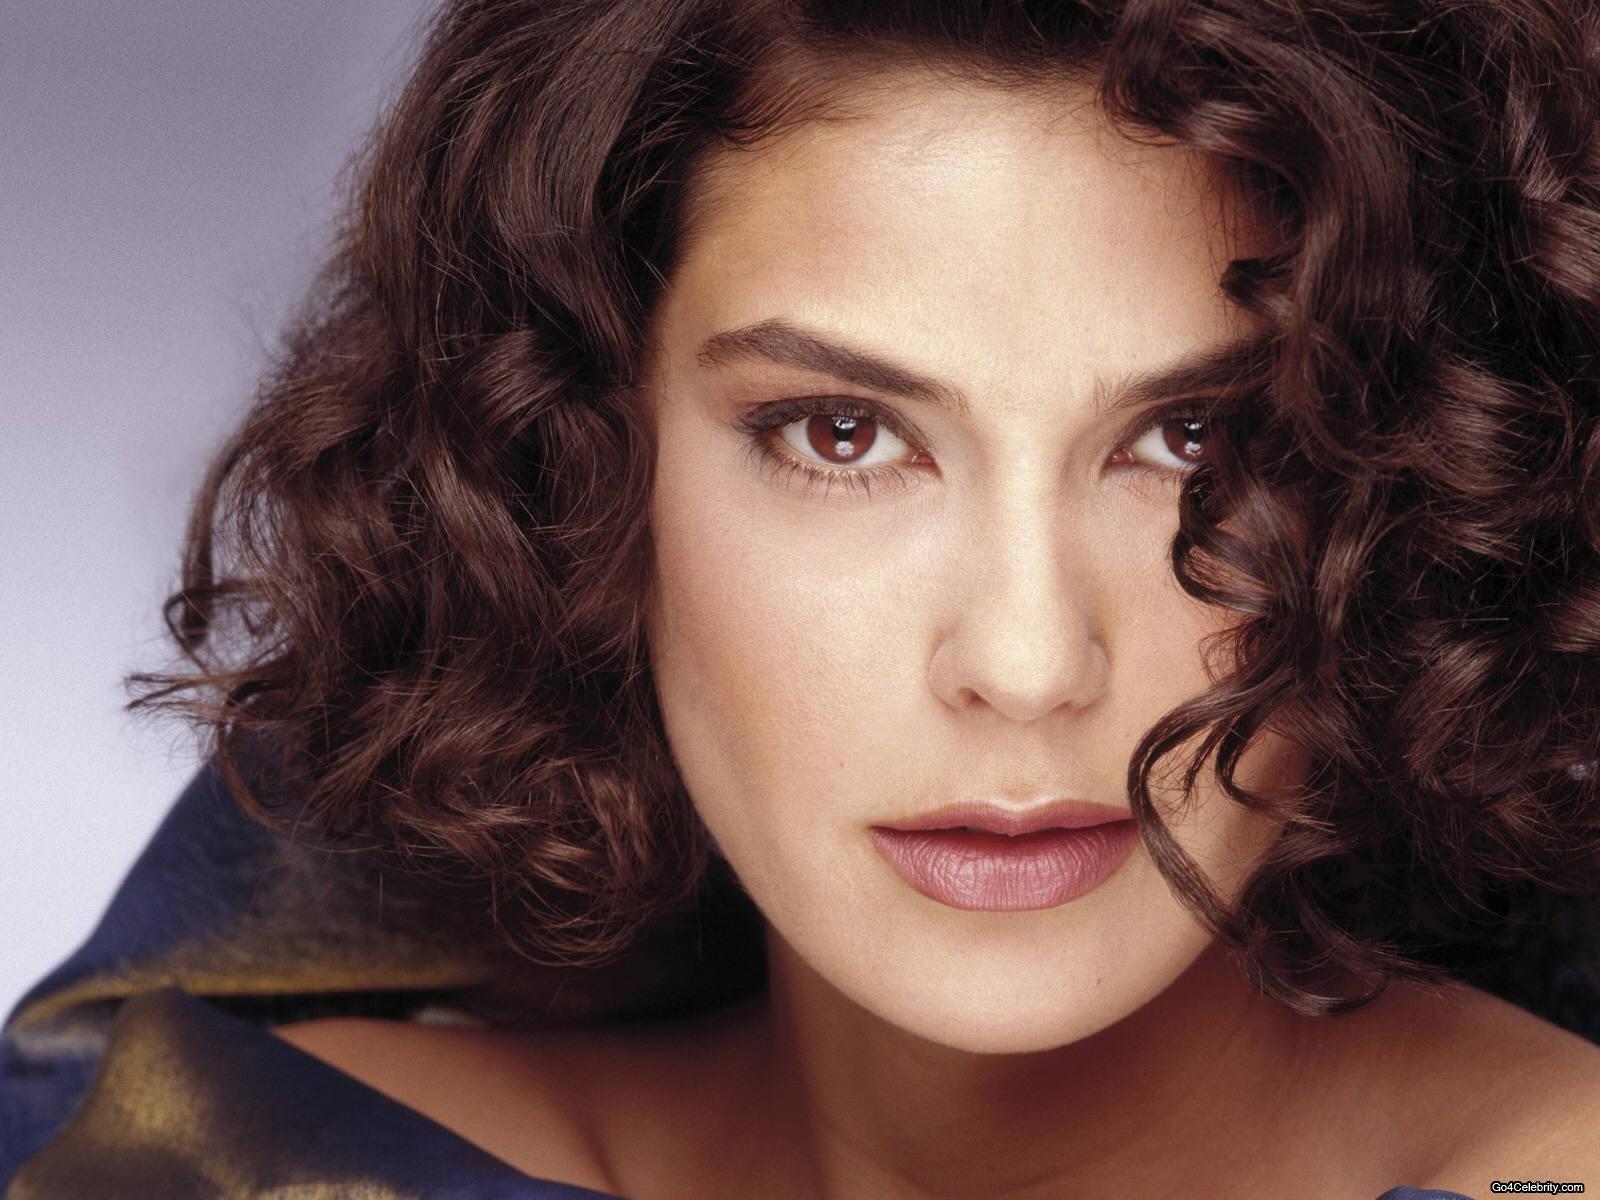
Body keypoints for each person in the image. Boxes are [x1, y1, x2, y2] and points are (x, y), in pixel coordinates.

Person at [5, 0, 1600, 1197]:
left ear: (1415, 480)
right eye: (843, 436)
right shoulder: (251, 1158)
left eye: (1203, 441)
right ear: (575, 475)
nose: (1026, 661)